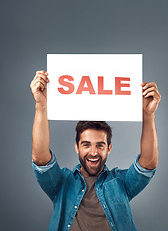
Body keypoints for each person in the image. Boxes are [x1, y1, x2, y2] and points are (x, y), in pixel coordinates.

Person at [30, 70, 161, 231]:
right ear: (77, 147)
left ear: (109, 148)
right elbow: (40, 159)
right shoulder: (61, 182)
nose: (93, 152)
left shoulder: (121, 182)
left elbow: (148, 164)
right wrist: (40, 106)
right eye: (86, 144)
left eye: (100, 145)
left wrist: (148, 115)